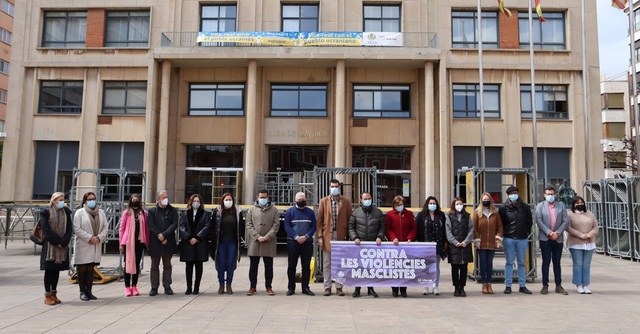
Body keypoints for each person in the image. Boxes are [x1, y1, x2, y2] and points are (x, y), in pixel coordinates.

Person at [317, 179, 353, 296]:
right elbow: (320, 221)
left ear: (339, 187)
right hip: (328, 234)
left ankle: (339, 287)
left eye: (336, 186)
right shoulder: (323, 201)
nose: (334, 188)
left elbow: (350, 219)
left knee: (340, 263)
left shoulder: (346, 201)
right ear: (329, 187)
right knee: (327, 263)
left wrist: (349, 235)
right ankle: (327, 287)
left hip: (341, 235)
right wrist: (320, 236)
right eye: (332, 186)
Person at [348, 192, 385, 298]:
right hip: (359, 245)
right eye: (365, 198)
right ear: (361, 200)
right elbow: (351, 227)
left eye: (369, 198)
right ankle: (357, 289)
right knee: (359, 267)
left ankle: (370, 289)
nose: (367, 200)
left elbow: (382, 227)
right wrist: (355, 237)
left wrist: (379, 236)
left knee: (371, 268)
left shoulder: (378, 212)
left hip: (373, 244)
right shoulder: (356, 212)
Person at [72, 192, 108, 301]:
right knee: (82, 269)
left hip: (95, 244)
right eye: (89, 199)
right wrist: (89, 237)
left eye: (93, 199)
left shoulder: (100, 212)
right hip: (84, 244)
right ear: (85, 201)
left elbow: (105, 226)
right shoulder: (79, 213)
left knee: (90, 269)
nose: (92, 201)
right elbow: (76, 228)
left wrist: (99, 237)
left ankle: (89, 291)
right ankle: (82, 291)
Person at [499, 186, 533, 294]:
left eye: (515, 192)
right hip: (509, 238)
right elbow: (501, 223)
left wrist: (525, 232)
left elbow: (529, 222)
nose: (514, 194)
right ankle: (508, 285)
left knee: (521, 262)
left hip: (522, 238)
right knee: (509, 262)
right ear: (508, 195)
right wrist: (504, 234)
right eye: (511, 193)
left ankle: (522, 285)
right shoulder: (503, 208)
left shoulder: (525, 207)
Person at [535, 186, 569, 295]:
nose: (550, 196)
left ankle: (558, 285)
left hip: (558, 238)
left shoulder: (561, 206)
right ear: (544, 195)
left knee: (557, 262)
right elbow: (539, 221)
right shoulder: (540, 206)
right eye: (548, 194)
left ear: (555, 195)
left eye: (552, 194)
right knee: (546, 262)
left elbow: (565, 221)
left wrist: (557, 233)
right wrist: (549, 233)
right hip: (545, 238)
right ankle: (545, 285)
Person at [40, 192, 73, 305]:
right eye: (60, 200)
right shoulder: (46, 212)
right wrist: (57, 241)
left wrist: (64, 242)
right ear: (54, 201)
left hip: (62, 247)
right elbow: (46, 230)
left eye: (63, 199)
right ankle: (47, 294)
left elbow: (69, 228)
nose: (62, 202)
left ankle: (54, 292)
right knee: (49, 270)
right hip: (50, 246)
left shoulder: (66, 212)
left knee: (56, 270)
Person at [245, 189, 280, 296]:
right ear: (257, 197)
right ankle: (252, 287)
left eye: (264, 197)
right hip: (255, 242)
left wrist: (267, 237)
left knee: (269, 266)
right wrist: (257, 236)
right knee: (253, 266)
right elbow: (248, 224)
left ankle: (269, 287)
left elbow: (276, 225)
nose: (263, 199)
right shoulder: (251, 209)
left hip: (268, 242)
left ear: (268, 197)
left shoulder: (274, 210)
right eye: (261, 197)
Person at [284, 192, 317, 296]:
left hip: (307, 242)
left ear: (306, 200)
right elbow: (287, 226)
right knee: (291, 266)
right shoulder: (290, 212)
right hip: (293, 242)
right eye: (299, 199)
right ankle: (291, 288)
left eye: (302, 199)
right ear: (295, 200)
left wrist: (306, 236)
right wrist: (296, 237)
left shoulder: (310, 212)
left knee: (306, 266)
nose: (301, 201)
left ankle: (305, 287)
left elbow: (313, 226)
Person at [147, 190, 179, 296]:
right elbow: (151, 225)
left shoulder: (173, 210)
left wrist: (164, 235)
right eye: (163, 197)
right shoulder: (152, 211)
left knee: (167, 265)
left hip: (168, 241)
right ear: (158, 199)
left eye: (166, 197)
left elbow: (174, 224)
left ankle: (167, 286)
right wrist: (159, 236)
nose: (165, 199)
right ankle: (154, 287)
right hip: (156, 241)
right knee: (154, 266)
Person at [179, 194, 211, 295]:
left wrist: (197, 237)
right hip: (188, 243)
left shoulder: (205, 214)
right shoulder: (185, 213)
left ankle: (196, 287)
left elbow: (206, 226)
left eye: (198, 201)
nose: (196, 203)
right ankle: (189, 287)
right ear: (191, 202)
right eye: (194, 201)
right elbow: (181, 226)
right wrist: (188, 237)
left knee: (198, 265)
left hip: (199, 243)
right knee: (188, 266)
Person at [472, 192, 503, 295]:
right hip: (481, 243)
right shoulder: (477, 212)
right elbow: (474, 228)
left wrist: (498, 239)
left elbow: (500, 227)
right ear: (481, 201)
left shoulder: (495, 212)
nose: (486, 201)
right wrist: (477, 240)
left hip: (491, 243)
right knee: (483, 264)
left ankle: (489, 284)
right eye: (484, 199)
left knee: (490, 264)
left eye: (487, 199)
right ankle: (484, 284)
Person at [211, 192, 243, 295]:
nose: (228, 201)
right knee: (221, 264)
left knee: (230, 263)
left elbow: (241, 226)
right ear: (222, 201)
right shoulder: (218, 211)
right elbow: (213, 226)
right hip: (221, 242)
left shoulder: (237, 211)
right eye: (226, 200)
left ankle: (229, 285)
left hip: (232, 241)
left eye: (230, 200)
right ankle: (221, 285)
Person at [119, 194, 149, 297]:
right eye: (133, 200)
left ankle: (134, 286)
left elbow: (146, 228)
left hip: (139, 242)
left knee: (136, 264)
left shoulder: (143, 213)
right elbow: (121, 229)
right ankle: (127, 287)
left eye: (137, 200)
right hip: (128, 242)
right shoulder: (126, 213)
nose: (135, 201)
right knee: (128, 264)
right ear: (130, 201)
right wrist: (121, 243)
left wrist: (146, 241)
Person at [415, 196, 447, 296]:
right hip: (425, 245)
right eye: (430, 203)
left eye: (434, 203)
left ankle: (435, 286)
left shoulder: (441, 215)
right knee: (426, 266)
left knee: (436, 266)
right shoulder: (421, 215)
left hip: (438, 245)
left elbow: (444, 229)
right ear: (427, 204)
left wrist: (445, 243)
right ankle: (425, 286)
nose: (432, 205)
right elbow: (417, 228)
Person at [385, 195, 416, 297]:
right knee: (394, 268)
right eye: (397, 205)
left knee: (404, 268)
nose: (400, 206)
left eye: (401, 205)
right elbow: (388, 229)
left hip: (406, 245)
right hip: (394, 245)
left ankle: (403, 289)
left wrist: (409, 238)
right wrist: (393, 238)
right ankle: (394, 289)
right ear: (394, 205)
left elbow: (413, 228)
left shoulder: (409, 214)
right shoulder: (389, 215)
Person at [567, 196, 599, 294]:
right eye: (577, 203)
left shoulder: (589, 213)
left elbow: (596, 226)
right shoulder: (569, 214)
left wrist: (590, 234)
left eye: (581, 202)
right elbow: (568, 228)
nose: (580, 204)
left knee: (586, 265)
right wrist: (581, 235)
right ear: (573, 204)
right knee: (578, 264)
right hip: (576, 243)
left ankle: (586, 285)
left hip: (589, 242)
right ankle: (578, 284)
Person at [445, 197, 473, 297]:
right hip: (454, 246)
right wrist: (454, 242)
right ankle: (456, 288)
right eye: (457, 204)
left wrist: (466, 241)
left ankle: (462, 287)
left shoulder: (467, 216)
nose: (459, 206)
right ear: (454, 205)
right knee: (455, 268)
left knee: (464, 268)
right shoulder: (449, 216)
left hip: (465, 246)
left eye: (460, 204)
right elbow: (448, 231)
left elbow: (471, 229)